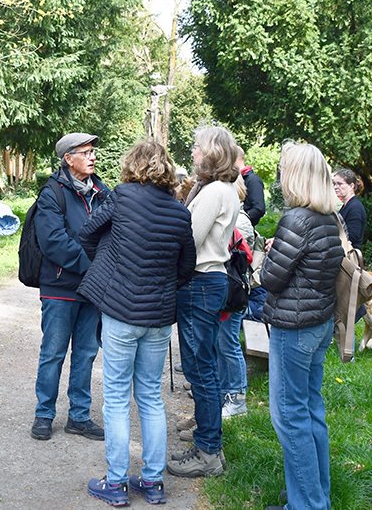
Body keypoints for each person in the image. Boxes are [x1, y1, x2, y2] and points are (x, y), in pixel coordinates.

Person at [78, 141, 196, 507]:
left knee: (115, 397)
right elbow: (185, 266)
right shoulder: (179, 212)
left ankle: (115, 483)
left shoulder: (122, 196)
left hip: (121, 311)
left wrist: (110, 261)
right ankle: (152, 481)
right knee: (149, 396)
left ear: (133, 165)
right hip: (159, 317)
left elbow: (87, 231)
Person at [260, 143, 345, 510]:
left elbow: (270, 279)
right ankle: (314, 493)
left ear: (294, 175)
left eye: (283, 168)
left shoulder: (297, 219)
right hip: (319, 323)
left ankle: (308, 504)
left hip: (293, 329)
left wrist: (268, 253)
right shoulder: (330, 218)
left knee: (289, 417)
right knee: (310, 411)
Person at [168, 125, 240, 478]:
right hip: (207, 282)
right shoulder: (219, 189)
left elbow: (188, 240)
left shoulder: (214, 192)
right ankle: (205, 439)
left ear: (211, 153)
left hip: (200, 281)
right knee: (202, 366)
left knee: (202, 368)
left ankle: (209, 451)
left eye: (197, 148)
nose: (193, 153)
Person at [30, 132, 109, 442]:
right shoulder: (52, 193)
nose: (92, 157)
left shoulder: (103, 192)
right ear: (68, 158)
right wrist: (92, 266)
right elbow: (53, 241)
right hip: (60, 287)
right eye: (85, 152)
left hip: (92, 290)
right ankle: (44, 414)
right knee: (53, 353)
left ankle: (79, 416)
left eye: (93, 152)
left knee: (87, 353)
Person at [216, 174, 258, 421]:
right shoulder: (236, 217)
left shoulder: (239, 221)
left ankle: (237, 395)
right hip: (230, 290)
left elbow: (243, 259)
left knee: (229, 343)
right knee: (223, 343)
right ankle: (226, 392)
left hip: (235, 292)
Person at [333, 168, 367, 249]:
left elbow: (353, 236)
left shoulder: (355, 207)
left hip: (349, 257)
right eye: (334, 184)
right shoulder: (347, 205)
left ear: (351, 186)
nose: (335, 187)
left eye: (340, 184)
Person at [236, 145, 266, 226]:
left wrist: (241, 220)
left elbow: (259, 209)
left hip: (243, 228)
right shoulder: (234, 178)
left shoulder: (253, 180)